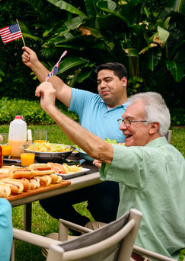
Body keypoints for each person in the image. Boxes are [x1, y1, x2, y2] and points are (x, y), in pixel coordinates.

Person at [35, 83, 185, 261]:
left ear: (153, 127)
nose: (122, 127)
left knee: (50, 243)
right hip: (163, 257)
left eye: (130, 121)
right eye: (122, 120)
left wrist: (50, 108)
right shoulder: (171, 154)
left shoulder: (144, 159)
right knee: (91, 228)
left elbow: (98, 149)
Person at [22, 47, 128, 228]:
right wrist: (34, 63)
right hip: (82, 168)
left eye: (108, 80)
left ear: (123, 81)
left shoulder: (134, 111)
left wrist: (116, 151)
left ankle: (113, 242)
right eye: (99, 81)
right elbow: (59, 87)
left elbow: (142, 147)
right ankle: (84, 229)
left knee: (101, 202)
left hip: (113, 173)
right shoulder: (90, 101)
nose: (102, 85)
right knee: (48, 195)